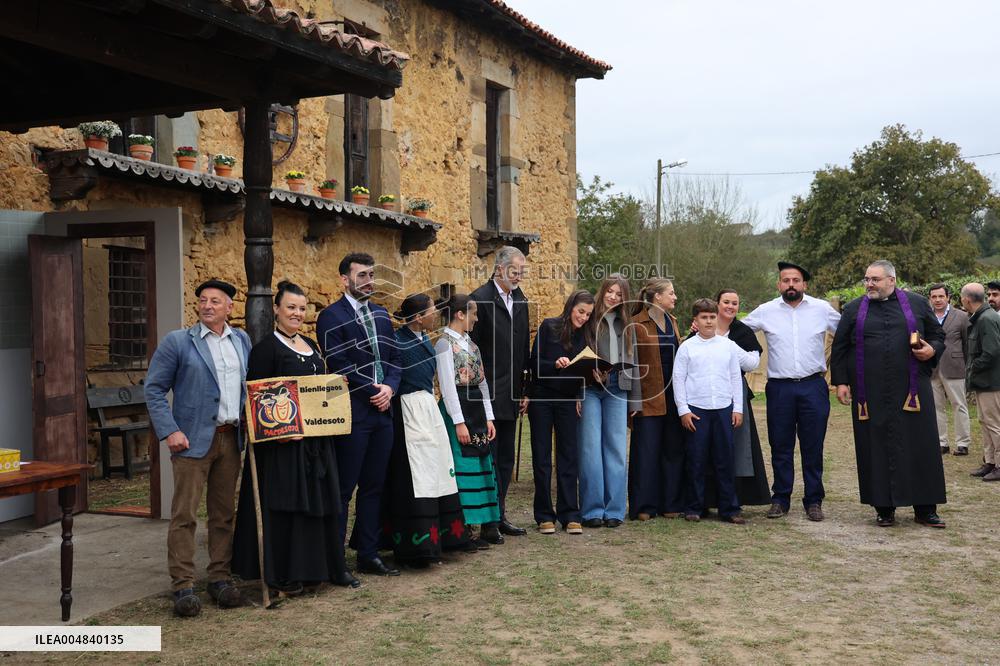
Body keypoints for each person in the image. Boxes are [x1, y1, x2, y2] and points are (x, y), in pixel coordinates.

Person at [231, 281, 360, 593]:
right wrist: (279, 433)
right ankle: (288, 573)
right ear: (276, 309)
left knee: (321, 505)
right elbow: (258, 400)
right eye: (291, 307)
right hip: (284, 448)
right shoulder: (266, 350)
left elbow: (318, 392)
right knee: (290, 508)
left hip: (316, 444)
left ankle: (328, 568)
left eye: (302, 309)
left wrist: (334, 386)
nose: (297, 314)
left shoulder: (312, 347)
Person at [145, 279, 250, 617]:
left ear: (229, 308)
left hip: (230, 438)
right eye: (203, 300)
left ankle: (219, 578)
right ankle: (183, 585)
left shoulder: (242, 340)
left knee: (223, 514)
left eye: (215, 301)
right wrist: (169, 431)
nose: (207, 306)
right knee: (185, 514)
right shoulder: (178, 342)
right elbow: (154, 389)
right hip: (190, 440)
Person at [831, 260, 947, 527]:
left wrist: (932, 350)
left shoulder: (917, 304)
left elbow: (938, 334)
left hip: (912, 390)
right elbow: (839, 349)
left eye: (875, 279)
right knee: (876, 447)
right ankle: (884, 508)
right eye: (867, 279)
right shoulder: (852, 309)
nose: (869, 284)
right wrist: (842, 382)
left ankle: (925, 509)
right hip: (869, 393)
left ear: (892, 280)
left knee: (921, 446)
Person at [317, 253, 402, 576]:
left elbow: (395, 358)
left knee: (374, 486)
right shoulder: (330, 317)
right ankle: (335, 561)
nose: (368, 281)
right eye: (362, 275)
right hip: (354, 411)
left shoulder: (381, 314)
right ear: (344, 280)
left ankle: (368, 554)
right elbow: (339, 363)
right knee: (344, 488)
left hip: (383, 413)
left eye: (371, 275)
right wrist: (374, 391)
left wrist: (390, 389)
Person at [742, 261, 840, 522]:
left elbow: (848, 332)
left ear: (804, 284)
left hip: (813, 386)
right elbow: (737, 329)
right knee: (780, 445)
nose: (791, 285)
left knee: (813, 445)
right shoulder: (766, 310)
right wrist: (705, 327)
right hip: (780, 388)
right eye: (786, 280)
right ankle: (781, 498)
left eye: (796, 280)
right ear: (779, 284)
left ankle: (814, 500)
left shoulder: (822, 309)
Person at [383, 293, 473, 565]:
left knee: (437, 469)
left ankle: (444, 538)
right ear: (419, 317)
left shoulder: (425, 340)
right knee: (416, 475)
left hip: (428, 409)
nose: (436, 315)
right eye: (432, 311)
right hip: (409, 411)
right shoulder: (398, 342)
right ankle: (416, 545)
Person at [469, 246, 531, 538]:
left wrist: (525, 389)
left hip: (512, 394)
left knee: (506, 457)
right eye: (514, 271)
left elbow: (523, 350)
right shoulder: (479, 299)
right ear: (499, 270)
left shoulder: (521, 300)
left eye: (521, 272)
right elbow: (472, 350)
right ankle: (486, 521)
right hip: (486, 393)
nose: (518, 276)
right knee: (488, 456)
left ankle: (500, 513)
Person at [435, 294, 502, 546]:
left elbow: (482, 383)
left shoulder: (471, 345)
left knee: (482, 463)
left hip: (476, 409)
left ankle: (486, 523)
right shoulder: (444, 344)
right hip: (458, 410)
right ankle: (461, 529)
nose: (476, 318)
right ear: (460, 314)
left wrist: (489, 417)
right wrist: (458, 421)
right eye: (473, 313)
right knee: (462, 466)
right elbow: (447, 387)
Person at [672, 298, 746, 524]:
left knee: (725, 460)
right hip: (697, 410)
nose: (709, 321)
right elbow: (678, 379)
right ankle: (695, 506)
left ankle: (729, 508)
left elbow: (735, 377)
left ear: (717, 318)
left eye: (712, 317)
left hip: (724, 408)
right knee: (696, 459)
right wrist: (683, 410)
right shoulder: (687, 347)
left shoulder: (728, 346)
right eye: (704, 317)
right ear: (695, 320)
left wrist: (738, 408)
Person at [527, 290, 594, 534]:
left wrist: (585, 385)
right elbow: (533, 363)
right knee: (542, 458)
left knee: (569, 457)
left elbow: (582, 373)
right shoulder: (549, 326)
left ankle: (570, 514)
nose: (584, 317)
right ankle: (544, 515)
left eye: (588, 314)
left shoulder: (585, 336)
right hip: (542, 398)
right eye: (580, 312)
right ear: (570, 307)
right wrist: (554, 364)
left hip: (567, 400)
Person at [579, 274, 642, 528]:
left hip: (619, 388)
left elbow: (635, 362)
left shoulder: (627, 325)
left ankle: (614, 510)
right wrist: (588, 373)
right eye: (610, 292)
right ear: (602, 290)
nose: (613, 297)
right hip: (591, 388)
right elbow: (578, 353)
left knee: (616, 449)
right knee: (590, 449)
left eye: (619, 294)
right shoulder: (589, 319)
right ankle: (593, 510)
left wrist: (636, 402)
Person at [700, 289, 771, 507]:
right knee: (707, 443)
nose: (730, 307)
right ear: (717, 304)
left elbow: (752, 363)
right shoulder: (703, 327)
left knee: (737, 445)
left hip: (734, 392)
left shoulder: (741, 331)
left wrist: (726, 348)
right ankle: (705, 498)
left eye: (735, 303)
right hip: (705, 391)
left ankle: (736, 496)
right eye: (726, 302)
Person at [628, 279, 685, 520]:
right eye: (671, 293)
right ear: (657, 297)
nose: (675, 297)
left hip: (674, 396)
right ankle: (644, 506)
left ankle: (670, 503)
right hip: (648, 396)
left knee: (673, 450)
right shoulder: (635, 324)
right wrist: (633, 401)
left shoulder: (673, 322)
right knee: (646, 452)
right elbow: (629, 365)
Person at [962, 283, 1000, 481]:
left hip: (991, 382)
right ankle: (990, 462)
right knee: (985, 422)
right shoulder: (982, 317)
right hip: (984, 381)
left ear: (967, 299)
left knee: (994, 424)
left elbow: (992, 352)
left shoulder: (986, 319)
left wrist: (972, 367)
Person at [927, 283, 970, 456]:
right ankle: (941, 442)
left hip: (955, 366)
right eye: (934, 297)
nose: (937, 300)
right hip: (932, 367)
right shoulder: (926, 316)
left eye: (941, 296)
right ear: (930, 298)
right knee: (936, 407)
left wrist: (966, 365)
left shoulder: (962, 316)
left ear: (948, 298)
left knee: (959, 405)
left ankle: (963, 443)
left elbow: (967, 343)